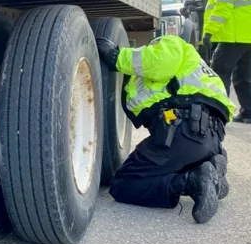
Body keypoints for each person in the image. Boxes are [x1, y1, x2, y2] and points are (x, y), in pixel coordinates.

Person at [97, 34, 235, 224]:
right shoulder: (197, 69)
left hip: (183, 132)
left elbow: (159, 62)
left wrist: (116, 57)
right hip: (211, 136)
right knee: (175, 159)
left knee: (123, 184)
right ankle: (209, 163)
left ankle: (192, 181)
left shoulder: (170, 43)